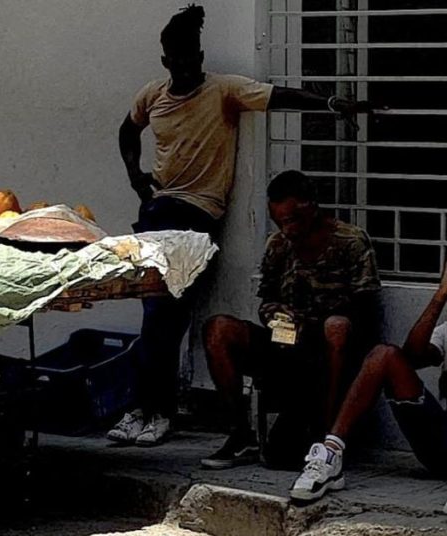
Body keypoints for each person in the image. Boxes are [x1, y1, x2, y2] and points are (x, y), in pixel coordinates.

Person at [110, 4, 378, 448]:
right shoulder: (152, 95)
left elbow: (278, 97)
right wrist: (135, 176)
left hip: (196, 217)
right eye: (177, 59)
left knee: (167, 313)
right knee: (154, 313)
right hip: (157, 213)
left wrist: (332, 103)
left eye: (193, 57)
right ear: (166, 61)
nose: (186, 66)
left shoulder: (223, 91)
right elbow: (127, 131)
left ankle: (155, 410)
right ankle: (143, 408)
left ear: (200, 55)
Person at [290, 237, 447, 520]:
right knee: (383, 354)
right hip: (445, 447)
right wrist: (439, 297)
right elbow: (411, 356)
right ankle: (330, 454)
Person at [198, 170, 381, 470]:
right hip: (285, 343)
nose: (288, 229)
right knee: (218, 329)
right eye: (280, 222)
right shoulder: (278, 244)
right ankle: (240, 433)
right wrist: (274, 314)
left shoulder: (350, 240)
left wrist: (315, 322)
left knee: (336, 328)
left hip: (328, 348)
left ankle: (327, 434)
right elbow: (266, 298)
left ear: (312, 207)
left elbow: (365, 307)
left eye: (293, 220)